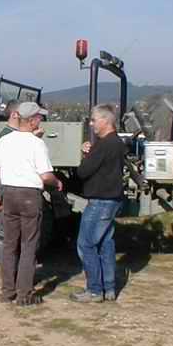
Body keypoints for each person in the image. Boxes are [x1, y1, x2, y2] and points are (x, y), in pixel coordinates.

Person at [0, 101, 62, 306]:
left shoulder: (5, 140)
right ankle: (24, 294)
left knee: (9, 245)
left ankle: (7, 291)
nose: (41, 120)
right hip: (29, 196)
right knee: (28, 246)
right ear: (32, 121)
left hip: (9, 194)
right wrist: (57, 182)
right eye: (39, 117)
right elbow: (45, 176)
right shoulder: (37, 144)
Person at [71, 104, 127, 303]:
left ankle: (94, 290)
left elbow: (83, 171)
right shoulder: (117, 143)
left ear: (105, 120)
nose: (92, 124)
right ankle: (109, 288)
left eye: (94, 120)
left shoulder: (104, 145)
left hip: (100, 202)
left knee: (86, 244)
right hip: (112, 200)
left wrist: (87, 154)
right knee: (105, 244)